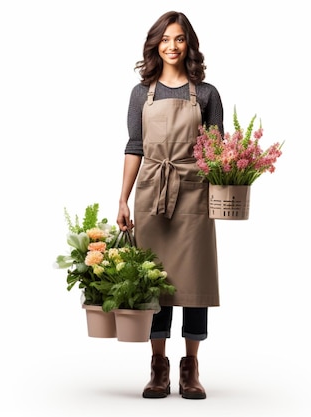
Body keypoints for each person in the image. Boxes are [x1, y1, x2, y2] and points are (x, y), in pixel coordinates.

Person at [116, 11, 224, 400]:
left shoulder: (207, 93)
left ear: (188, 43)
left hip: (193, 192)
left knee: (194, 281)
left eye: (179, 39)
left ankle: (190, 367)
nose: (172, 46)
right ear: (155, 44)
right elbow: (135, 147)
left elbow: (216, 152)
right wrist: (123, 199)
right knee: (153, 280)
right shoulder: (140, 93)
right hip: (151, 193)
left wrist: (228, 190)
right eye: (165, 39)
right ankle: (158, 365)